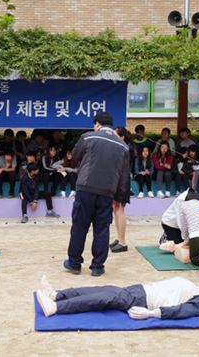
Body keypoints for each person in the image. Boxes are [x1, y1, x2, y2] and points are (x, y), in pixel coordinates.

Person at [64, 112, 130, 277]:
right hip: (107, 192)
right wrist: (120, 197)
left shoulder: (88, 137)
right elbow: (124, 175)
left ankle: (74, 263)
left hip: (85, 188)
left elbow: (74, 158)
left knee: (79, 226)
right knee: (102, 229)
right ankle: (98, 266)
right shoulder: (123, 146)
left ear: (97, 124)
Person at [35, 276, 199, 319]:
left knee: (100, 298)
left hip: (142, 300)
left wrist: (152, 313)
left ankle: (55, 307)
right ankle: (58, 295)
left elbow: (183, 311)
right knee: (99, 290)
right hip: (141, 291)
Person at [109, 126, 132, 254]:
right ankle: (119, 238)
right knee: (115, 208)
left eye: (115, 135)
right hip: (117, 181)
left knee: (120, 209)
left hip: (122, 182)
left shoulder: (124, 148)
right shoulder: (119, 148)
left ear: (122, 137)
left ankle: (123, 242)